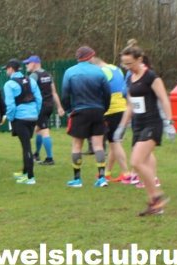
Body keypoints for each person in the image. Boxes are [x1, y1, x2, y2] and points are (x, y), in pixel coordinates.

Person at [112, 45, 175, 216]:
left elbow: (164, 99)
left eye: (130, 63)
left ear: (140, 59)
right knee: (143, 164)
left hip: (152, 123)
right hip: (138, 125)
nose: (127, 67)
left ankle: (158, 196)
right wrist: (122, 127)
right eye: (124, 64)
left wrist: (169, 123)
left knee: (136, 162)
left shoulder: (151, 77)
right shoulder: (131, 78)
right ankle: (155, 205)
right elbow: (130, 105)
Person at [60, 46, 112, 188]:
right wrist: (104, 109)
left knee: (77, 145)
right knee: (98, 145)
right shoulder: (100, 71)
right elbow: (107, 94)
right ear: (90, 57)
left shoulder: (69, 72)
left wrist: (69, 110)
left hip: (79, 111)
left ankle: (77, 179)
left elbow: (65, 94)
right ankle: (101, 178)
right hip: (97, 111)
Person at [3, 60, 44, 186]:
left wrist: (11, 118)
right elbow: (39, 99)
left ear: (11, 69)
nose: (6, 71)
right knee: (25, 144)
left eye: (7, 69)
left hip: (20, 118)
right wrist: (35, 113)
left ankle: (30, 177)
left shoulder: (9, 84)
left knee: (26, 147)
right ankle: (25, 172)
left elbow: (10, 105)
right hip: (32, 117)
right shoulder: (31, 80)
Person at [94, 54, 130, 186]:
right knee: (113, 142)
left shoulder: (102, 71)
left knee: (115, 142)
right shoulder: (115, 68)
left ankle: (126, 174)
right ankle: (107, 173)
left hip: (112, 109)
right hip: (122, 106)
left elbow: (101, 90)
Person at [25, 55, 65, 165]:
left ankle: (49, 158)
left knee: (44, 130)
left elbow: (28, 92)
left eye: (28, 63)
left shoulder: (34, 76)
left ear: (34, 63)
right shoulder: (48, 74)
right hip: (49, 106)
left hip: (40, 107)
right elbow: (54, 92)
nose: (26, 65)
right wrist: (59, 107)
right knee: (39, 130)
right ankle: (36, 154)